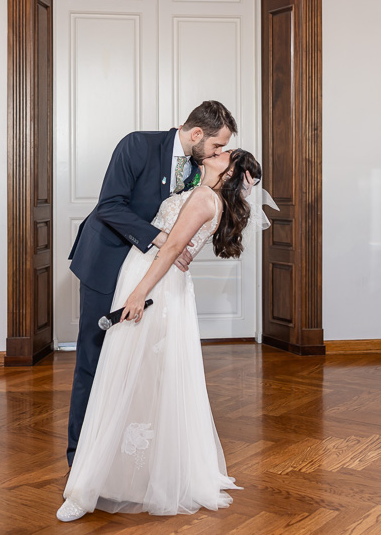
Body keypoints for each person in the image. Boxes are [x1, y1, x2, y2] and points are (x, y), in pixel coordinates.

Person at [58, 148, 263, 521]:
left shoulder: (204, 198)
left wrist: (138, 295)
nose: (218, 151)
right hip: (153, 281)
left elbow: (169, 250)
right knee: (137, 378)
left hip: (153, 285)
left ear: (229, 172)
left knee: (123, 375)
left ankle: (95, 483)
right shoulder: (198, 191)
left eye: (225, 153)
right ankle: (127, 472)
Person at [65, 101, 239, 470]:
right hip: (105, 262)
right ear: (196, 134)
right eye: (216, 146)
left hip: (149, 275)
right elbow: (109, 206)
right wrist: (163, 240)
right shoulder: (137, 145)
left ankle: (125, 455)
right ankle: (79, 459)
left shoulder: (200, 169)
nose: (219, 153)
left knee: (137, 362)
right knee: (94, 359)